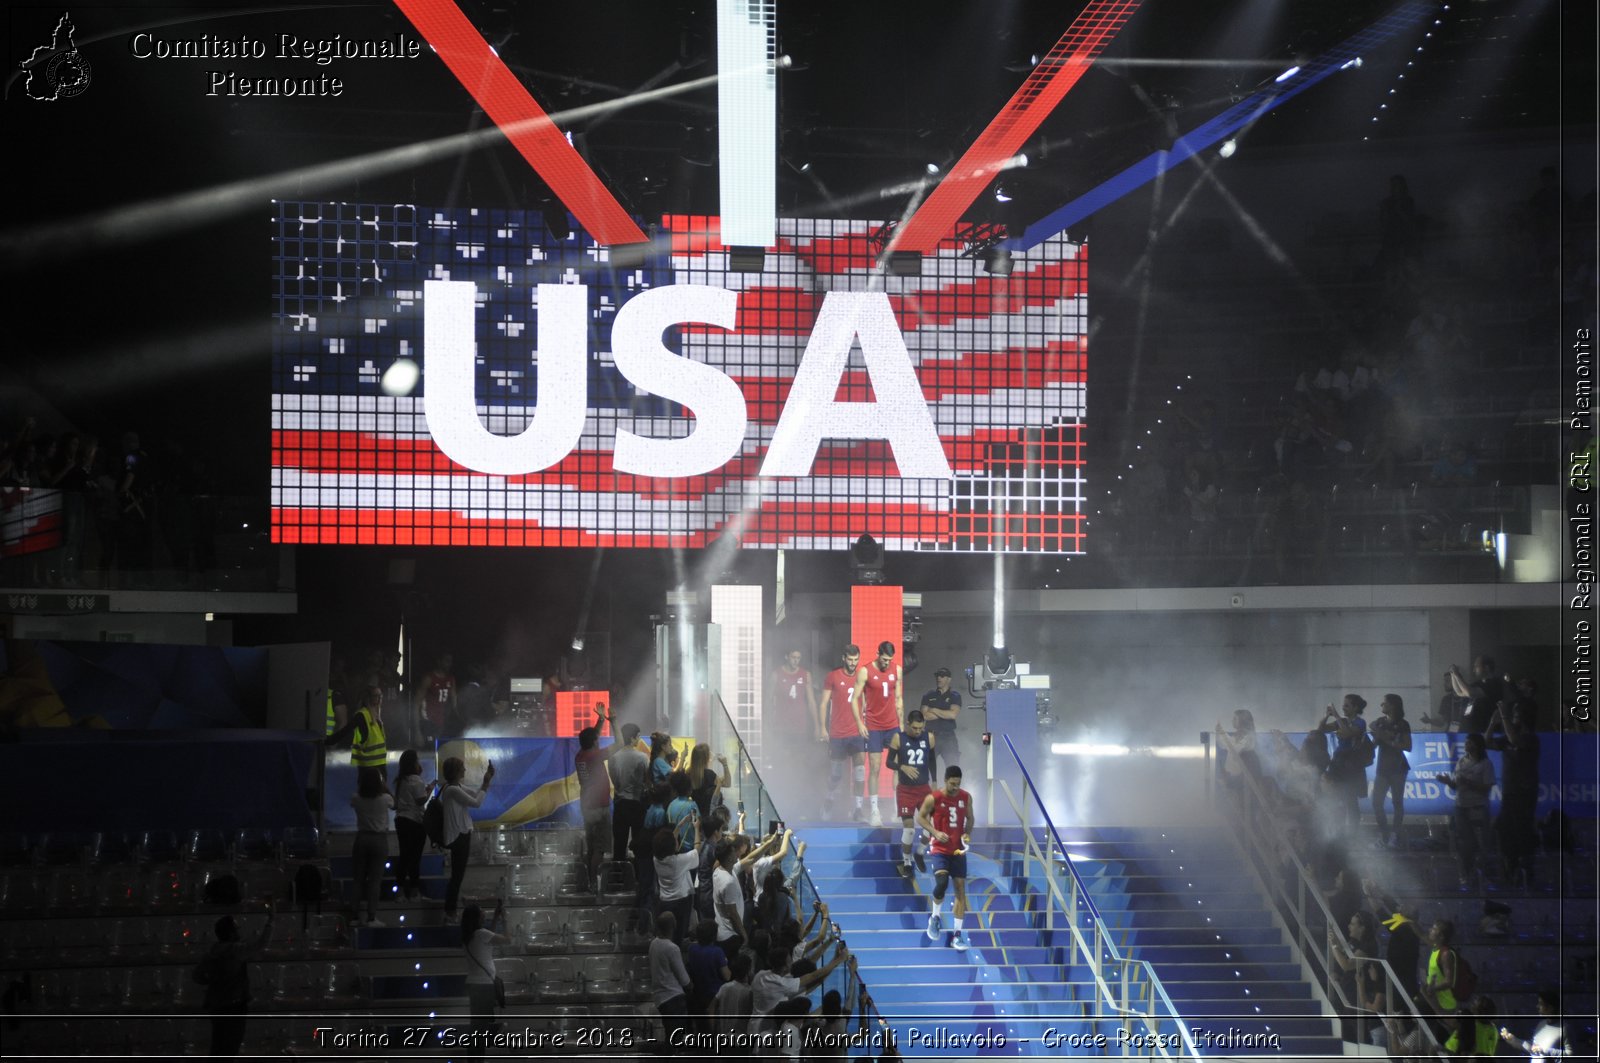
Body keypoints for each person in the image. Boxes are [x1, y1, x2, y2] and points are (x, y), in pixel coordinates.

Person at [193, 902, 275, 1057]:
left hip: (216, 1005)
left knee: (218, 1046)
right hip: (234, 1006)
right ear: (230, 933)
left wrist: (214, 980)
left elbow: (197, 976)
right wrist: (271, 921)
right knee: (231, 1047)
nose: (239, 931)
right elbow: (261, 944)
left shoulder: (212, 952)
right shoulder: (236, 951)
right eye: (236, 928)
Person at [917, 765, 975, 950]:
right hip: (940, 849)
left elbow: (970, 818)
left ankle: (957, 936)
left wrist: (967, 833)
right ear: (945, 780)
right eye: (952, 784)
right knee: (941, 883)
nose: (955, 787)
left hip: (958, 850)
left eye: (958, 784)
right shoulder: (934, 798)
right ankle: (934, 917)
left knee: (960, 890)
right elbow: (921, 817)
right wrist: (934, 831)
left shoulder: (966, 797)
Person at [1487, 698, 1541, 885]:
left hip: (1525, 792)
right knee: (1504, 830)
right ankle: (1510, 868)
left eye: (1516, 715)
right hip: (1510, 792)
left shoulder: (1530, 738)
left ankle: (1526, 869)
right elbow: (1486, 744)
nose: (1513, 718)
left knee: (1522, 830)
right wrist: (1492, 724)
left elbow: (1514, 740)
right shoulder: (1510, 736)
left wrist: (1504, 714)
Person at [439, 755, 494, 923]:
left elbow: (476, 795)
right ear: (456, 771)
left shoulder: (456, 787)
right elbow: (476, 803)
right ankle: (450, 912)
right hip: (458, 836)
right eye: (462, 767)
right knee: (457, 876)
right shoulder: (452, 790)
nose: (465, 769)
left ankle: (451, 910)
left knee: (458, 875)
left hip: (461, 835)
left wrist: (486, 782)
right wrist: (486, 782)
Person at [817, 644, 869, 821]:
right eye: (850, 659)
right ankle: (828, 803)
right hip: (838, 733)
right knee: (836, 774)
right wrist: (822, 727)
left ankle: (858, 810)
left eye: (856, 660)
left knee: (860, 770)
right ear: (844, 658)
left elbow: (867, 701)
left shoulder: (862, 676)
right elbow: (824, 703)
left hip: (856, 732)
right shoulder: (833, 676)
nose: (853, 663)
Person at [748, 943, 847, 1035]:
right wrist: (839, 960)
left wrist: (835, 959)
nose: (792, 961)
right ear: (784, 968)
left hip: (752, 1026)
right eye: (789, 960)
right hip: (766, 1031)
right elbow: (813, 976)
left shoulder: (760, 975)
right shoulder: (783, 984)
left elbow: (815, 979)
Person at [1436, 733, 1494, 889]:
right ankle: (1465, 876)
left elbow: (1486, 788)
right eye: (1466, 743)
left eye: (1469, 743)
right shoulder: (1461, 762)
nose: (1466, 745)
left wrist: (1468, 782)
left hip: (1478, 807)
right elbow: (1456, 785)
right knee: (1464, 844)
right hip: (1461, 807)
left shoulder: (1485, 764)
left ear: (1477, 745)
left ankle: (1484, 877)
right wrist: (1447, 782)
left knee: (1481, 845)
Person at [857, 641, 904, 826]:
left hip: (892, 725)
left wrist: (901, 726)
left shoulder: (897, 670)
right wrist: (861, 720)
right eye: (884, 659)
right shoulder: (866, 671)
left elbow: (899, 698)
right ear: (878, 654)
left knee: (897, 767)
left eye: (889, 660)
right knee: (875, 768)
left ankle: (897, 810)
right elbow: (857, 697)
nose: (886, 663)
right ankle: (875, 811)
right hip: (874, 726)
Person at [885, 709, 935, 878]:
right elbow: (888, 762)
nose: (917, 731)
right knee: (910, 830)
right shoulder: (899, 738)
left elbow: (932, 760)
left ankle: (919, 852)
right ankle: (906, 861)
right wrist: (902, 767)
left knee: (930, 827)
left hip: (924, 788)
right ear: (907, 724)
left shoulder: (929, 737)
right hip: (906, 790)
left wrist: (934, 782)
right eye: (914, 728)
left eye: (920, 728)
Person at [460, 902, 511, 1060]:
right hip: (483, 986)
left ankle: (474, 1058)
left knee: (477, 1026)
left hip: (474, 985)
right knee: (480, 1028)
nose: (484, 914)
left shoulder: (470, 936)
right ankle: (477, 1059)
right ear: (476, 917)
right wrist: (505, 919)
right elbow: (507, 939)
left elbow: (489, 937)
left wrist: (495, 918)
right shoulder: (481, 934)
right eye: (482, 912)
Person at [574, 711, 618, 886]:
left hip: (587, 806)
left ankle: (587, 881)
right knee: (599, 849)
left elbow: (592, 737)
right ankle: (594, 884)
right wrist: (613, 721)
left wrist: (600, 720)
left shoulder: (581, 755)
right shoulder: (595, 756)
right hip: (599, 807)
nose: (599, 740)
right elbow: (620, 743)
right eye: (597, 739)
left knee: (591, 846)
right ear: (594, 742)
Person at [1318, 695, 1370, 835]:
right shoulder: (1343, 721)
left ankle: (1353, 834)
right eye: (1343, 705)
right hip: (1338, 763)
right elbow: (1321, 729)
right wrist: (1327, 716)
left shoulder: (1360, 723)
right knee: (1334, 797)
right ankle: (1336, 831)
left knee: (1350, 800)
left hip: (1352, 766)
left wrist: (1336, 715)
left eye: (1347, 705)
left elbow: (1347, 733)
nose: (1343, 708)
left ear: (1355, 708)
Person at [349, 766, 393, 927]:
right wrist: (385, 786)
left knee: (357, 880)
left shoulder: (356, 798)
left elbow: (354, 800)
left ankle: (354, 916)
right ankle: (371, 917)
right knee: (375, 881)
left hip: (361, 839)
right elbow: (394, 803)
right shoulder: (385, 799)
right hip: (379, 840)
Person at [1369, 694, 1413, 849]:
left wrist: (1389, 739)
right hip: (1382, 768)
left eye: (1385, 703)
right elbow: (1373, 731)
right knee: (1376, 803)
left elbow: (1408, 746)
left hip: (1398, 768)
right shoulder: (1380, 722)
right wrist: (1378, 734)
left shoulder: (1403, 724)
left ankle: (1395, 835)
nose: (1382, 705)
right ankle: (1384, 835)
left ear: (1393, 706)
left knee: (1397, 802)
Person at [325, 683, 388, 784]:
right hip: (368, 770)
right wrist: (329, 741)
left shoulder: (376, 716)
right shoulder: (362, 715)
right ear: (368, 698)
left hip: (379, 766)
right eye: (376, 696)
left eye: (381, 695)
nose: (380, 699)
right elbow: (346, 730)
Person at [648, 910, 693, 1052]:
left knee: (670, 1038)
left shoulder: (654, 944)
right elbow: (684, 980)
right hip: (673, 998)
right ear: (673, 926)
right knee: (676, 1041)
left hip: (661, 999)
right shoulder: (672, 948)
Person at [654, 822, 701, 946]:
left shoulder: (656, 859)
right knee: (677, 935)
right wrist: (696, 828)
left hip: (664, 901)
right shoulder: (678, 861)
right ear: (673, 846)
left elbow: (665, 844)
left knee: (665, 934)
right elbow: (697, 850)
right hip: (680, 902)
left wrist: (680, 826)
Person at [609, 723, 650, 863]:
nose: (639, 739)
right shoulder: (642, 757)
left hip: (620, 804)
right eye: (638, 736)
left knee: (619, 843)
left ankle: (618, 877)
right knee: (639, 842)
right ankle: (639, 876)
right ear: (632, 738)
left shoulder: (614, 758)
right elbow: (647, 779)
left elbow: (614, 780)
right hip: (637, 804)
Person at [392, 749, 429, 902]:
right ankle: (414, 892)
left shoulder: (401, 780)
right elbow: (420, 801)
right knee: (415, 858)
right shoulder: (417, 780)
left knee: (404, 856)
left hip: (401, 820)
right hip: (415, 821)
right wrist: (429, 790)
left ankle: (400, 892)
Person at [767, 649, 815, 765]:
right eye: (793, 657)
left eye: (798, 658)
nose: (796, 660)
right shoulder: (776, 674)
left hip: (799, 724)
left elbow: (811, 701)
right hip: (781, 724)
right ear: (786, 657)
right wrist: (767, 723)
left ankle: (797, 780)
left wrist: (817, 725)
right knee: (782, 757)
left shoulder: (805, 674)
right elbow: (768, 700)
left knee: (799, 757)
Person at [683, 918, 731, 1030]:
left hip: (697, 994)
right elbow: (727, 976)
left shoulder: (692, 949)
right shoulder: (717, 952)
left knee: (701, 1029)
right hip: (714, 996)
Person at [1499, 988, 1573, 1059]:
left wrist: (1545, 1051)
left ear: (1551, 1007)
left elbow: (1571, 1055)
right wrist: (1513, 1040)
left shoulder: (1564, 1028)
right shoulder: (1541, 1025)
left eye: (1541, 1004)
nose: (1537, 1006)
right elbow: (1532, 1048)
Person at [918, 667, 962, 779]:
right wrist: (944, 713)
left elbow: (953, 715)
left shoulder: (955, 695)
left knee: (953, 768)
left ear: (949, 679)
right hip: (931, 736)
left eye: (942, 676)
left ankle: (952, 794)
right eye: (937, 675)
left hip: (948, 737)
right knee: (926, 768)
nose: (938, 678)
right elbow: (923, 716)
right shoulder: (929, 695)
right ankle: (928, 794)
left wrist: (933, 709)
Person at [711, 837, 750, 956]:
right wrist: (744, 934)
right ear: (728, 857)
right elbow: (732, 913)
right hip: (730, 935)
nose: (737, 853)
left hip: (722, 929)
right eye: (734, 851)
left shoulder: (719, 870)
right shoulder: (728, 882)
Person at [1446, 656, 1505, 735]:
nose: (1474, 670)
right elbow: (1459, 692)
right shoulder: (1478, 683)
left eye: (1476, 666)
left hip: (1486, 731)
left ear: (1486, 668)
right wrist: (1453, 674)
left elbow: (1469, 693)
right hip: (1474, 730)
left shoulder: (1494, 683)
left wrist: (1457, 675)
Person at [1418, 919, 1461, 1017]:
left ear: (1441, 936)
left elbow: (1448, 982)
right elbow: (1421, 934)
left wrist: (1431, 988)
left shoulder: (1446, 954)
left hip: (1445, 1006)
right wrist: (1410, 921)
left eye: (1434, 929)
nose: (1430, 930)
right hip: (1435, 1002)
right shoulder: (1435, 948)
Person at [709, 953, 754, 1042]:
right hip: (741, 1040)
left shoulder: (724, 987)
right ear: (749, 969)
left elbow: (711, 1008)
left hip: (723, 1038)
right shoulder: (750, 991)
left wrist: (712, 1031)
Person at [1214, 708, 1261, 788]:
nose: (1232, 721)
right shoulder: (1237, 736)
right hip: (1232, 776)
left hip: (1244, 778)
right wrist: (1220, 731)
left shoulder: (1249, 737)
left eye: (1235, 719)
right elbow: (1227, 744)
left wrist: (1222, 733)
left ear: (1242, 721)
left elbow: (1235, 749)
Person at [686, 743, 731, 820]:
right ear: (706, 758)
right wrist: (725, 764)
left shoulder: (687, 773)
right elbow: (727, 783)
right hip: (710, 817)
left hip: (695, 816)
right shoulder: (710, 775)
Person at [419, 653, 456, 741]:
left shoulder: (451, 679)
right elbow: (417, 703)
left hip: (443, 723)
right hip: (429, 722)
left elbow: (454, 701)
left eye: (450, 661)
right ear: (439, 661)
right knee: (430, 750)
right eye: (446, 661)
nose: (449, 664)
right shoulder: (429, 679)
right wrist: (418, 732)